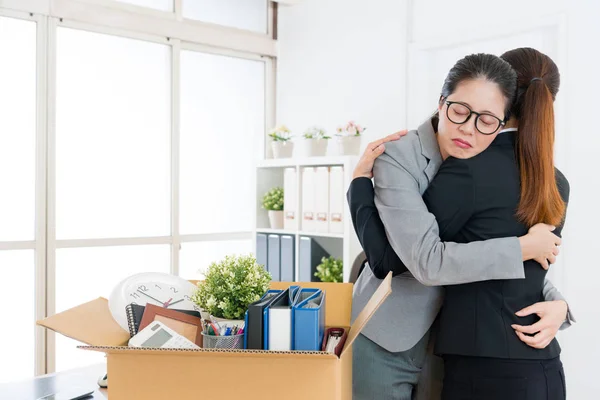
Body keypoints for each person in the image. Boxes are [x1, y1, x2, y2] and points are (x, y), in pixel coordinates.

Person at [348, 51, 573, 400]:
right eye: (459, 111)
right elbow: (418, 259)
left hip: (455, 343)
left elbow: (501, 248)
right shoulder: (399, 157)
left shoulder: (495, 166)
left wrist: (557, 303)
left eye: (486, 119)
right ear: (441, 102)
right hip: (389, 335)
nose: (468, 129)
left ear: (504, 119)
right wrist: (359, 186)